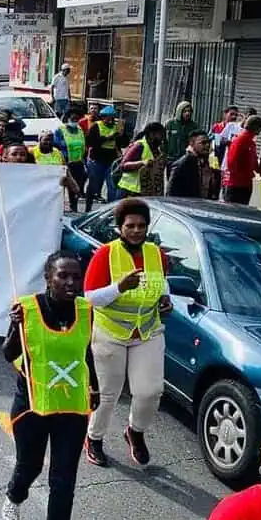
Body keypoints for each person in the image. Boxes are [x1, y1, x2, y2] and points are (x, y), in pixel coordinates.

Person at [0, 251, 98, 520]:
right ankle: (14, 495)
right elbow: (9, 353)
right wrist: (16, 327)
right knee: (29, 467)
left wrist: (94, 387)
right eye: (63, 276)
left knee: (63, 483)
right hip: (32, 405)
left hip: (72, 408)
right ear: (48, 278)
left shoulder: (86, 310)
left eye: (76, 276)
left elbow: (85, 352)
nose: (71, 283)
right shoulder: (26, 309)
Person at [83, 198, 171, 468]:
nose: (136, 230)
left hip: (147, 331)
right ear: (119, 227)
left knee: (150, 391)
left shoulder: (156, 254)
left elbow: (162, 283)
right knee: (108, 394)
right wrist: (119, 288)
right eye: (130, 226)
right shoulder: (105, 254)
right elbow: (90, 298)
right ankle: (94, 438)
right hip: (111, 332)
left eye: (141, 225)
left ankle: (135, 431)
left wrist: (166, 299)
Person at [84, 105, 123, 210]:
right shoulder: (96, 126)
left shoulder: (116, 128)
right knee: (93, 185)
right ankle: (88, 208)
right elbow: (90, 142)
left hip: (111, 161)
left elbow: (123, 143)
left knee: (112, 186)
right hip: (97, 160)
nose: (110, 120)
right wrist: (107, 138)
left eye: (112, 118)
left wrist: (121, 135)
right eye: (108, 118)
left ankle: (111, 211)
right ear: (103, 117)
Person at [117, 122, 168, 198]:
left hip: (145, 193)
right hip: (129, 191)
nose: (162, 138)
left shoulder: (157, 150)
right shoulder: (139, 146)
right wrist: (142, 163)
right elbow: (123, 166)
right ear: (151, 134)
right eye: (160, 135)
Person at [222, 114, 261, 205]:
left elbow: (253, 159)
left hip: (244, 183)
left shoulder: (250, 142)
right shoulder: (240, 140)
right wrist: (243, 175)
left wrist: (259, 171)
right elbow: (231, 163)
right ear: (256, 128)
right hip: (235, 184)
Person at [166, 131, 219, 200]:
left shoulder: (207, 162)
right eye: (203, 143)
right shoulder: (182, 164)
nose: (207, 145)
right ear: (192, 144)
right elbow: (170, 193)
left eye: (208, 142)